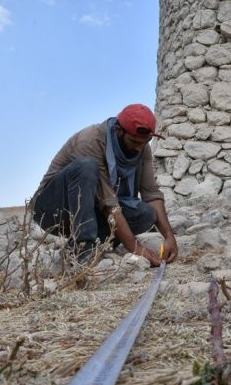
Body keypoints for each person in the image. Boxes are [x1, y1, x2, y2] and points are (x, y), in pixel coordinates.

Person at [31, 104, 178, 266]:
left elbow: (151, 193)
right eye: (134, 141)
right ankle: (83, 248)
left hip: (95, 208)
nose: (138, 148)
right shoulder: (91, 140)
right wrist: (136, 248)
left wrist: (169, 236)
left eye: (145, 142)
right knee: (86, 166)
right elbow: (109, 204)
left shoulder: (142, 148)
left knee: (146, 215)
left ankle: (92, 243)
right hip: (53, 209)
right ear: (119, 131)